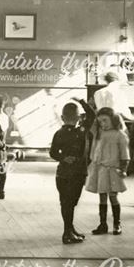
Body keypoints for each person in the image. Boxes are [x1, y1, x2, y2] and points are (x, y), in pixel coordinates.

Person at [49, 98, 95, 244]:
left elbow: (53, 153)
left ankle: (69, 229)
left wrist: (63, 158)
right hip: (78, 173)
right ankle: (67, 233)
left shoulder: (59, 133)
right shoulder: (81, 131)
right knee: (71, 203)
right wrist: (82, 101)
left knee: (66, 203)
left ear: (62, 118)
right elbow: (92, 115)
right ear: (78, 117)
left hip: (62, 173)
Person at [85, 107, 130, 236]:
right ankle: (103, 224)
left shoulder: (120, 135)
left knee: (113, 197)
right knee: (102, 197)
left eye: (105, 120)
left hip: (113, 170)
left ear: (113, 119)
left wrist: (124, 169)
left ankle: (117, 223)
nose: (102, 124)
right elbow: (91, 117)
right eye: (100, 122)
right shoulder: (98, 133)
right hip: (100, 170)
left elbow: (125, 155)